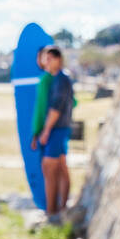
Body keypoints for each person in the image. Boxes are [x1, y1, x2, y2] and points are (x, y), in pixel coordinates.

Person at [35, 46, 74, 224]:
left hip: (57, 130)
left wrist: (45, 131)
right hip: (59, 129)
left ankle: (53, 212)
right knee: (60, 169)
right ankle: (60, 209)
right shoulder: (58, 79)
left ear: (58, 59)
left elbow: (55, 109)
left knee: (50, 168)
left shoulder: (61, 80)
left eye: (49, 59)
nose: (46, 62)